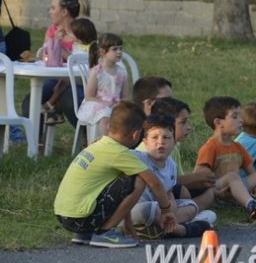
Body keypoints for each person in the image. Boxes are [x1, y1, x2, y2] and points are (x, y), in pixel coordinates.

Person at [53, 101, 177, 248]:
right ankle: (105, 232)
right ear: (136, 134)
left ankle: (84, 234)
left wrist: (127, 222)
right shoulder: (120, 153)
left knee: (124, 179)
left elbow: (119, 191)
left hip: (64, 215)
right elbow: (154, 182)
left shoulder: (99, 145)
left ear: (108, 127)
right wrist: (166, 210)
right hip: (80, 218)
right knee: (139, 181)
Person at [127, 114, 215, 239]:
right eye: (154, 137)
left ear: (174, 142)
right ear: (145, 142)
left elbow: (169, 194)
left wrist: (169, 213)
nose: (160, 142)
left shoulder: (171, 165)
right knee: (154, 210)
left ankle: (161, 227)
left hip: (161, 209)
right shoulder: (136, 157)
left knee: (192, 206)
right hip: (135, 209)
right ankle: (180, 229)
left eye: (166, 137)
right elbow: (116, 150)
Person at [22, 0, 91, 128]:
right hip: (54, 78)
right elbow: (45, 54)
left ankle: (86, 136)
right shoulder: (52, 30)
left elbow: (84, 60)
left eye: (53, 8)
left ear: (64, 12)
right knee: (30, 102)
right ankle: (36, 142)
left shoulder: (82, 29)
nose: (50, 12)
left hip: (78, 81)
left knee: (70, 98)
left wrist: (61, 48)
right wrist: (47, 49)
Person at [148, 97, 216, 211]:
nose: (189, 127)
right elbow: (163, 184)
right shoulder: (149, 150)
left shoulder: (173, 149)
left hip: (170, 195)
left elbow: (176, 180)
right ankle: (185, 213)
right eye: (183, 122)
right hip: (153, 199)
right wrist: (196, 177)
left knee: (208, 191)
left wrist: (202, 181)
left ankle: (187, 211)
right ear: (166, 124)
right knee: (185, 192)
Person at [42, 18, 98, 124]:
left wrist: (60, 46)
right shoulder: (78, 45)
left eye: (71, 32)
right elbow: (71, 55)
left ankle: (50, 104)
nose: (68, 34)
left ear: (79, 35)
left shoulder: (89, 49)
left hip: (86, 79)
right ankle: (55, 111)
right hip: (78, 76)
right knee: (61, 83)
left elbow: (72, 59)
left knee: (63, 83)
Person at [76, 33, 131, 138]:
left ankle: (121, 144)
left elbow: (125, 96)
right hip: (96, 104)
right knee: (105, 114)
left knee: (127, 115)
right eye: (114, 49)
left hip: (115, 105)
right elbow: (89, 96)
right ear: (102, 52)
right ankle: (104, 143)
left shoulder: (122, 72)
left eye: (121, 49)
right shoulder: (97, 72)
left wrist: (120, 105)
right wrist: (106, 103)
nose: (119, 52)